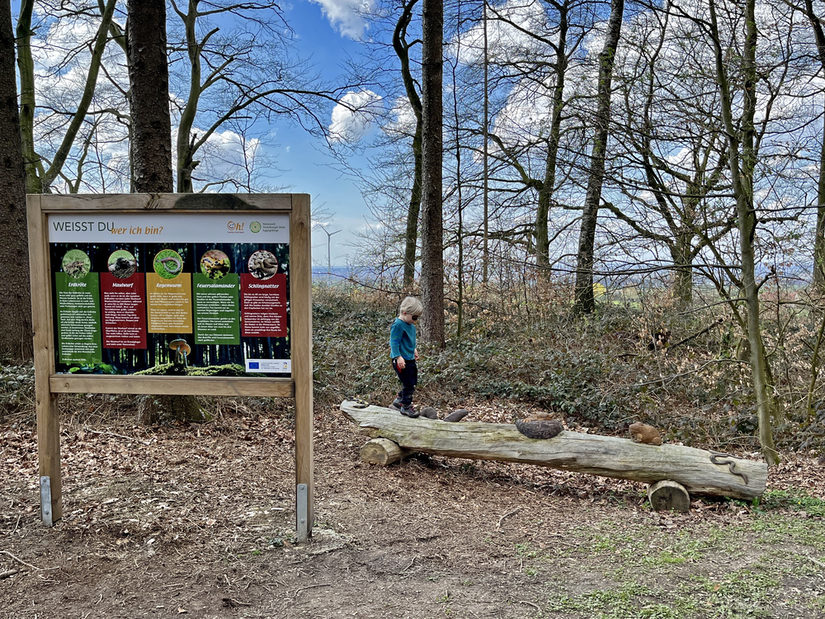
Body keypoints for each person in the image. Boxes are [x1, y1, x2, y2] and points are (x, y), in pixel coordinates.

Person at [389, 296, 423, 417]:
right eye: (414, 317)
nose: (415, 320)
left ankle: (399, 399)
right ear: (404, 313)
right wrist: (398, 357)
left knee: (412, 381)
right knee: (408, 383)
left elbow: (410, 341)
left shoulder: (410, 325)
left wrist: (414, 349)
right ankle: (406, 406)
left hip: (409, 358)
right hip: (400, 360)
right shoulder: (398, 325)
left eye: (417, 317)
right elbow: (394, 342)